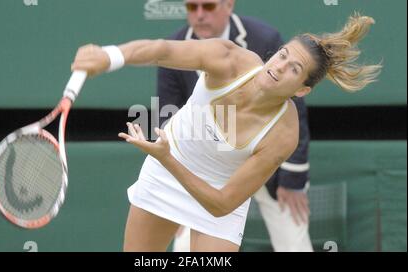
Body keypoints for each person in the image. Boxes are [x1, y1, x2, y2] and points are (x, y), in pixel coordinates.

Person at [71, 13, 381, 252]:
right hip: (166, 173)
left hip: (215, 198)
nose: (280, 65)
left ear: (301, 90)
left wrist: (168, 159)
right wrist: (110, 56)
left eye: (294, 69)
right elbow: (161, 50)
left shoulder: (283, 135)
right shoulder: (229, 58)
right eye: (284, 54)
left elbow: (222, 204)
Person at [157, 0, 313, 252]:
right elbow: (168, 116)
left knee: (295, 244)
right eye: (191, 7)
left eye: (207, 6)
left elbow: (296, 113)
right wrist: (178, 192)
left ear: (228, 5)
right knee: (184, 247)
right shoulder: (174, 46)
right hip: (205, 168)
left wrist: (293, 179)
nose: (199, 15)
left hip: (265, 164)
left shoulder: (265, 38)